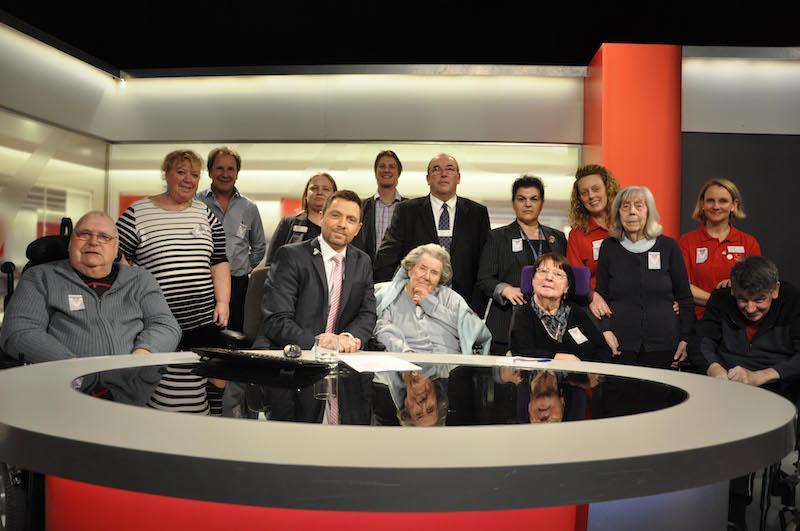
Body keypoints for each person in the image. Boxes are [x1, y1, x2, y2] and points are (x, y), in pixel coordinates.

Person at [117, 150, 230, 414]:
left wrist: (223, 302)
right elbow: (116, 254)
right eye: (181, 172)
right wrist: (137, 291)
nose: (188, 179)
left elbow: (219, 260)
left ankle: (208, 432)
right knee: (163, 389)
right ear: (166, 174)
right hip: (158, 321)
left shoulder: (205, 214)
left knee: (210, 381)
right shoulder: (138, 212)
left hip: (202, 320)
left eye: (194, 174)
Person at [697, 256, 799, 531]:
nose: (750, 308)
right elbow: (703, 341)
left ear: (775, 290)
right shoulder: (720, 299)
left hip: (779, 383)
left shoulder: (794, 301)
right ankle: (733, 511)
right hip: (729, 384)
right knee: (731, 438)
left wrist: (761, 376)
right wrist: (716, 370)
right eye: (742, 299)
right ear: (732, 290)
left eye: (759, 300)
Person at [0, 211, 180, 362]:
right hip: (61, 385)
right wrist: (73, 367)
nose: (93, 241)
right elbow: (19, 331)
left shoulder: (140, 279)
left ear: (116, 249)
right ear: (70, 243)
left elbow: (166, 325)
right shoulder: (40, 277)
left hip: (130, 386)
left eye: (104, 237)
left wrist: (140, 358)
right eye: (84, 234)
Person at [253, 190, 376, 352]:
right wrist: (319, 344)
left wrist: (347, 338)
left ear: (358, 228)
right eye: (335, 215)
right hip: (290, 353)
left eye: (351, 220)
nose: (342, 224)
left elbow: (367, 314)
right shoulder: (290, 256)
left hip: (339, 357)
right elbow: (277, 319)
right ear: (321, 216)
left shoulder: (363, 261)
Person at [373, 153, 490, 313]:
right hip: (413, 306)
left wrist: (476, 308)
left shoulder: (478, 214)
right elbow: (386, 259)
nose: (443, 174)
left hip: (463, 307)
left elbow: (485, 265)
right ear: (428, 178)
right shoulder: (407, 211)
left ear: (458, 177)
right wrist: (395, 300)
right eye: (436, 169)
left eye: (449, 169)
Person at [595, 186, 694, 369]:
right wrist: (606, 330)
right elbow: (601, 296)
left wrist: (685, 339)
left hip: (665, 344)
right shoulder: (609, 247)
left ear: (649, 211)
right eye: (625, 206)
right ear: (618, 213)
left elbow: (685, 298)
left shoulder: (669, 246)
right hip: (619, 344)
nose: (632, 211)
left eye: (639, 206)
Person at [477, 176, 567, 355]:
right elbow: (484, 279)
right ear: (513, 203)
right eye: (521, 199)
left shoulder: (557, 238)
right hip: (507, 321)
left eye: (534, 199)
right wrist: (504, 289)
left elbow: (565, 278)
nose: (528, 204)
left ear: (541, 203)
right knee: (505, 381)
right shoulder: (497, 237)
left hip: (549, 323)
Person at [374, 243, 491, 356]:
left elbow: (476, 333)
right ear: (410, 269)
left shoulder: (451, 298)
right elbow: (383, 330)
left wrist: (431, 306)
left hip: (448, 365)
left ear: (440, 278)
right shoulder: (391, 296)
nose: (427, 277)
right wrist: (406, 354)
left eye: (434, 273)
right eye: (422, 269)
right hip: (405, 362)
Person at [197, 146, 266, 332]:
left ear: (237, 173)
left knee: (234, 335)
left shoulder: (249, 208)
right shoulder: (196, 203)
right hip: (202, 283)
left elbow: (259, 247)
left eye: (231, 169)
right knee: (202, 333)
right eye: (219, 168)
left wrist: (242, 267)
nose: (225, 174)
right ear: (210, 172)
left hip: (238, 285)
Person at [679, 178, 761, 320]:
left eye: (723, 201)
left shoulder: (748, 243)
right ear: (702, 204)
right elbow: (682, 286)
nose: (716, 206)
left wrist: (736, 284)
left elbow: (756, 286)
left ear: (734, 205)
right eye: (710, 200)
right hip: (698, 323)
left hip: (738, 322)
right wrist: (718, 301)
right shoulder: (686, 242)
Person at [509, 253, 609, 362]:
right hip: (536, 377)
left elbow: (602, 350)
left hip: (580, 377)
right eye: (543, 271)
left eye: (557, 274)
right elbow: (521, 352)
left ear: (567, 287)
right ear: (533, 280)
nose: (549, 278)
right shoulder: (524, 313)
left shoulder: (575, 311)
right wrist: (557, 358)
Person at [565, 164, 620, 319]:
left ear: (607, 189)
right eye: (584, 193)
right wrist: (592, 296)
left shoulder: (627, 223)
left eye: (596, 189)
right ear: (579, 199)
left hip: (632, 304)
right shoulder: (577, 235)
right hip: (596, 308)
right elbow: (577, 277)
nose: (591, 196)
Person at [265, 172, 337, 265]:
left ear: (334, 196)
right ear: (306, 195)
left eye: (326, 189)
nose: (319, 192)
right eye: (314, 188)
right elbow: (271, 263)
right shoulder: (288, 223)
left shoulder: (341, 226)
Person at [354, 150, 407, 261]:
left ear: (398, 173)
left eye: (392, 167)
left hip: (399, 272)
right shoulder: (361, 207)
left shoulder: (410, 209)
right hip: (366, 271)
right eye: (382, 166)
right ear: (375, 172)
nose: (386, 170)